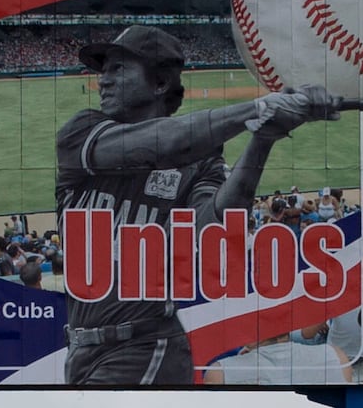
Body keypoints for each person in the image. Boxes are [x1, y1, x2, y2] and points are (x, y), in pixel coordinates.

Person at [53, 22, 344, 386]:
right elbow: (163, 142)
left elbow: (215, 227)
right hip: (79, 347)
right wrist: (257, 108)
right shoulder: (80, 132)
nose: (103, 80)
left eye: (118, 68)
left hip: (147, 345)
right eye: (104, 70)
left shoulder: (202, 160)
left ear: (159, 84)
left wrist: (263, 138)